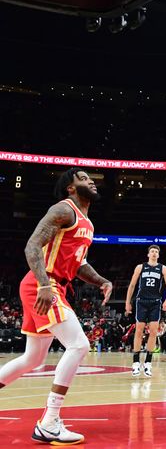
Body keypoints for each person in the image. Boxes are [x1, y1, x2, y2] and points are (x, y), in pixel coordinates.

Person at [0, 168, 112, 444]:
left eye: (91, 179)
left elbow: (79, 263)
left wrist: (101, 281)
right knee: (79, 344)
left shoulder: (87, 221)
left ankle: (49, 421)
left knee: (34, 359)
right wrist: (44, 285)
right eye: (83, 179)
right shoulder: (64, 209)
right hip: (44, 285)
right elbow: (32, 246)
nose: (91, 182)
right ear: (70, 188)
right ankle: (49, 422)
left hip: (54, 285)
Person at [125, 245, 166, 377]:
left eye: (156, 252)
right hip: (141, 301)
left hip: (155, 302)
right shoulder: (140, 267)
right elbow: (132, 285)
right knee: (139, 331)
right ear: (148, 254)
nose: (154, 253)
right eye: (152, 251)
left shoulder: (163, 268)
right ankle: (135, 363)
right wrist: (127, 302)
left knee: (153, 332)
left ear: (158, 255)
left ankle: (148, 363)